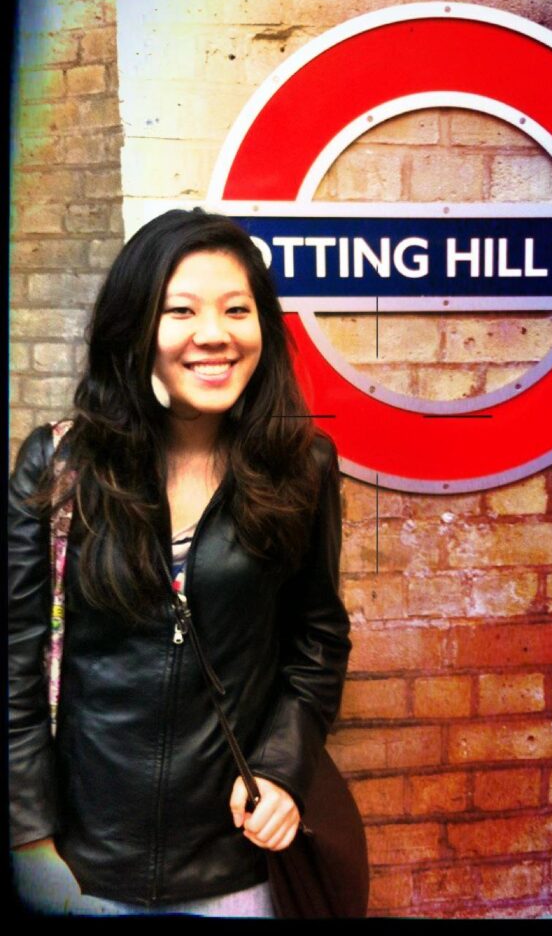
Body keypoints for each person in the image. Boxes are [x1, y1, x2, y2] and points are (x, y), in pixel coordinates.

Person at [8, 208, 351, 916]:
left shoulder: (302, 468)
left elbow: (317, 640)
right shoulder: (62, 467)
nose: (215, 335)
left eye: (236, 309)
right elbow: (14, 660)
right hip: (80, 872)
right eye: (181, 310)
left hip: (235, 870)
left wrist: (282, 772)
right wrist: (29, 841)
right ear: (136, 327)